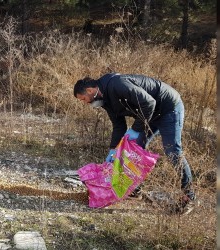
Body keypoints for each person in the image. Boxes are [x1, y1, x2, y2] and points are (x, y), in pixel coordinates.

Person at [73, 73, 195, 213]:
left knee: (173, 151)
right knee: (132, 150)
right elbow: (119, 126)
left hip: (168, 108)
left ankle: (189, 197)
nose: (85, 103)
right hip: (150, 113)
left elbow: (149, 103)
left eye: (83, 99)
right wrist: (114, 149)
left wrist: (136, 130)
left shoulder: (118, 84)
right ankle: (134, 190)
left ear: (90, 90)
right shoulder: (105, 99)